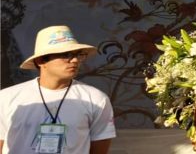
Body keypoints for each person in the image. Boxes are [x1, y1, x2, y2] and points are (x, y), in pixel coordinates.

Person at [0, 25, 116, 154]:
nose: (75, 60)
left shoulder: (96, 100)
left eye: (78, 55)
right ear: (40, 61)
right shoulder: (6, 98)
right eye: (66, 55)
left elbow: (99, 149)